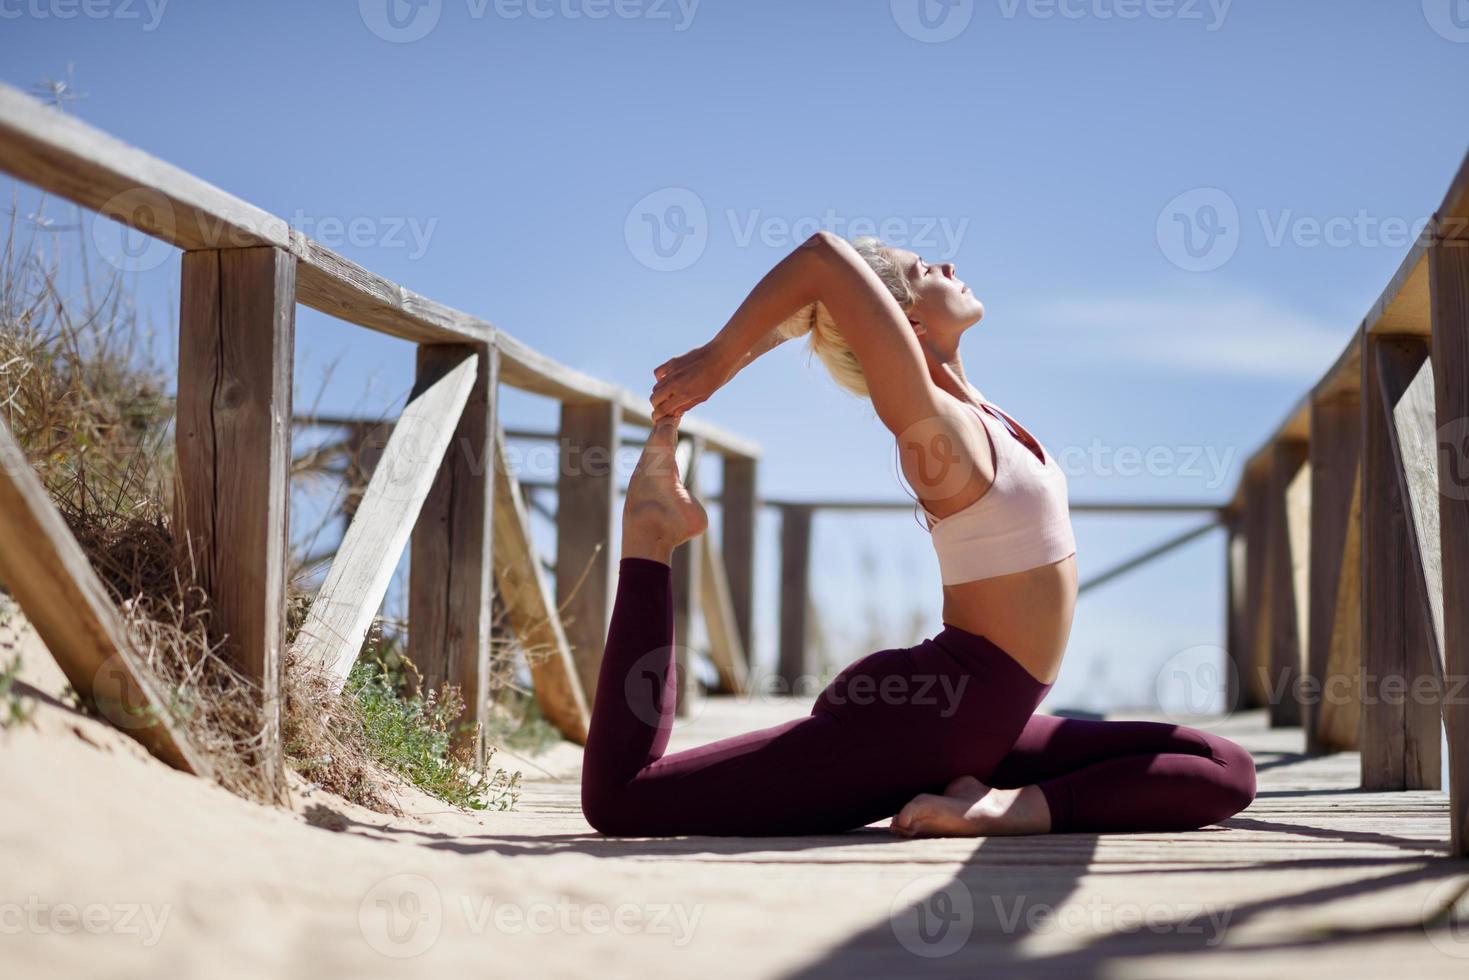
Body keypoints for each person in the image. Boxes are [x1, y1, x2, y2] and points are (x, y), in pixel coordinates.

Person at [580, 233, 1255, 837]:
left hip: (977, 723)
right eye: (921, 266)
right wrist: (719, 360)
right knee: (623, 802)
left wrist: (787, 331)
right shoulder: (933, 429)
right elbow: (820, 257)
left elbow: (821, 293)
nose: (949, 262)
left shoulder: (979, 410)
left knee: (1221, 764)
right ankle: (650, 533)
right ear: (902, 320)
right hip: (923, 724)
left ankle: (996, 799)